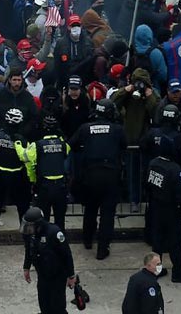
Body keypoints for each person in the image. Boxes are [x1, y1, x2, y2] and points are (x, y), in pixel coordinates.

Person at [70, 99, 126, 259]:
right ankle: (102, 249)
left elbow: (72, 144)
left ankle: (87, 240)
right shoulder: (117, 129)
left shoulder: (85, 128)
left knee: (90, 209)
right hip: (110, 175)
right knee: (107, 214)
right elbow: (124, 145)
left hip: (90, 174)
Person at [145, 134, 181, 283]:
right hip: (171, 211)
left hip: (155, 208)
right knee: (175, 242)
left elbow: (148, 184)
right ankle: (177, 273)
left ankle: (155, 270)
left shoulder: (153, 163)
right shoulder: (175, 169)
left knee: (157, 241)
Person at [0, 108, 31, 245]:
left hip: (0, 176)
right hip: (18, 177)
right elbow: (29, 160)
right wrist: (31, 178)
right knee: (23, 209)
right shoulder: (23, 140)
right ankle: (28, 239)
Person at [21, 207, 77, 314]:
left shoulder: (54, 233)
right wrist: (26, 267)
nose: (28, 229)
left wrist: (71, 276)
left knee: (57, 307)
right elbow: (29, 250)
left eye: (30, 226)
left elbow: (67, 255)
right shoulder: (31, 235)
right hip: (42, 275)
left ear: (38, 225)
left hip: (57, 277)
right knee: (44, 305)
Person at [23, 114, 70, 229]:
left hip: (44, 186)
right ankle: (60, 238)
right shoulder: (64, 144)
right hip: (61, 186)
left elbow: (27, 160)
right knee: (60, 219)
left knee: (43, 220)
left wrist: (32, 179)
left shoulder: (36, 145)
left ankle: (44, 239)